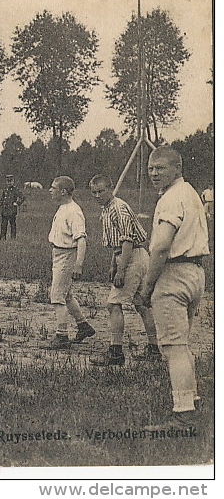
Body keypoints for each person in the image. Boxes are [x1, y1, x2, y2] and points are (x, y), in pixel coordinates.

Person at [139, 146, 209, 431]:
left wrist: (147, 287)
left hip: (174, 273)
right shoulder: (191, 193)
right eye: (151, 168)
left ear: (177, 168)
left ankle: (183, 414)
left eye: (161, 168)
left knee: (173, 347)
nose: (154, 173)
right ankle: (191, 396)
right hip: (196, 273)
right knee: (183, 344)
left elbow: (161, 247)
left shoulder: (170, 198)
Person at [88, 174, 159, 366]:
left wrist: (121, 270)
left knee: (113, 304)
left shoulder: (117, 208)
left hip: (132, 257)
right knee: (141, 304)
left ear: (110, 189)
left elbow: (127, 241)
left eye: (101, 191)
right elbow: (117, 244)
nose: (97, 195)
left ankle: (115, 352)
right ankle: (154, 349)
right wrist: (114, 263)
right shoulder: (107, 208)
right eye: (94, 192)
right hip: (133, 256)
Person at [43, 176, 96, 349]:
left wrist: (78, 264)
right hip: (58, 253)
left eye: (53, 187)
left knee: (57, 296)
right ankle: (83, 326)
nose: (50, 190)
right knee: (66, 295)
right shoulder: (63, 208)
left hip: (67, 255)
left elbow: (81, 240)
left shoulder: (74, 212)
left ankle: (62, 336)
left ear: (63, 191)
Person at [0, 174, 26, 240]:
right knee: (3, 225)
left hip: (12, 211)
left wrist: (17, 203)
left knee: (12, 225)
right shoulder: (5, 190)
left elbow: (22, 197)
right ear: (6, 182)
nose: (9, 183)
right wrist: (0, 202)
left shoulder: (15, 190)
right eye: (8, 181)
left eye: (10, 181)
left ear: (13, 181)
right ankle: (2, 238)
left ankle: (13, 238)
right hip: (4, 211)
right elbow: (2, 198)